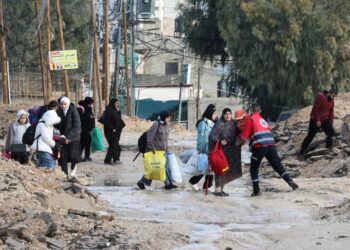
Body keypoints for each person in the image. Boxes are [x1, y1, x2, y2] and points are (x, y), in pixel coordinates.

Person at [239, 103, 299, 196]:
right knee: (277, 165)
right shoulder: (263, 120)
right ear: (260, 111)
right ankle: (289, 180)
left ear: (251, 111)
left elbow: (244, 137)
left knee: (254, 168)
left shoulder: (250, 119)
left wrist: (237, 143)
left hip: (260, 145)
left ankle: (256, 190)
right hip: (271, 144)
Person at [137, 111, 177, 190]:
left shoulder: (167, 125)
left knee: (163, 167)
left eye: (169, 118)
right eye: (168, 118)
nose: (169, 119)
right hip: (155, 151)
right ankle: (141, 182)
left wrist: (167, 149)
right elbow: (150, 138)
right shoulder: (156, 124)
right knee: (154, 168)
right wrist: (152, 149)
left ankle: (168, 184)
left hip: (163, 150)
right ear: (163, 117)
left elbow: (165, 139)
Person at [208, 108, 243, 196]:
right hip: (221, 151)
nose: (228, 116)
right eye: (226, 114)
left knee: (226, 170)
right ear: (223, 115)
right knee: (220, 169)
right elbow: (212, 136)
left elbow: (241, 131)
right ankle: (217, 189)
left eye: (229, 114)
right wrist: (220, 141)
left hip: (231, 152)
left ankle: (222, 189)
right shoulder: (219, 124)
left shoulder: (234, 123)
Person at [298, 87, 338, 160]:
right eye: (333, 95)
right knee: (310, 136)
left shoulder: (332, 100)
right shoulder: (320, 96)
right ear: (329, 93)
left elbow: (331, 112)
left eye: (334, 96)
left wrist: (331, 123)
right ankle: (301, 153)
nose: (333, 97)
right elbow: (315, 109)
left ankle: (327, 150)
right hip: (315, 120)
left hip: (325, 120)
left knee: (331, 133)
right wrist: (317, 120)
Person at [188, 104, 217, 191]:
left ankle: (205, 186)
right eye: (214, 113)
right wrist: (201, 150)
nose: (216, 115)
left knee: (209, 169)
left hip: (212, 149)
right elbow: (201, 138)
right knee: (204, 168)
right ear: (210, 113)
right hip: (205, 150)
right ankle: (196, 183)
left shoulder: (212, 123)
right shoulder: (203, 123)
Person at [56, 97, 82, 177]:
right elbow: (56, 124)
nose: (63, 106)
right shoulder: (58, 111)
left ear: (68, 103)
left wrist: (68, 137)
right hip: (62, 138)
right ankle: (64, 174)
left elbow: (76, 126)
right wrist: (61, 136)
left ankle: (73, 169)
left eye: (65, 104)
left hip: (73, 138)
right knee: (63, 157)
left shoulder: (73, 111)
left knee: (72, 155)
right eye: (61, 104)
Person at [103, 98, 125, 165]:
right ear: (112, 103)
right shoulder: (108, 111)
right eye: (116, 103)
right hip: (110, 132)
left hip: (117, 131)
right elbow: (105, 121)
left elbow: (118, 118)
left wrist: (118, 111)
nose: (117, 104)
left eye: (117, 103)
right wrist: (112, 128)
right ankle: (108, 160)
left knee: (116, 145)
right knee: (113, 145)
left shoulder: (115, 110)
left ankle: (116, 159)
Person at [80, 97, 95, 161]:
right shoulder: (82, 109)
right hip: (83, 129)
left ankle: (87, 156)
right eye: (89, 103)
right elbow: (82, 119)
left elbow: (91, 117)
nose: (90, 105)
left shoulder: (89, 108)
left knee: (88, 144)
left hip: (89, 130)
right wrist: (90, 117)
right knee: (82, 144)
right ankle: (78, 156)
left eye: (91, 104)